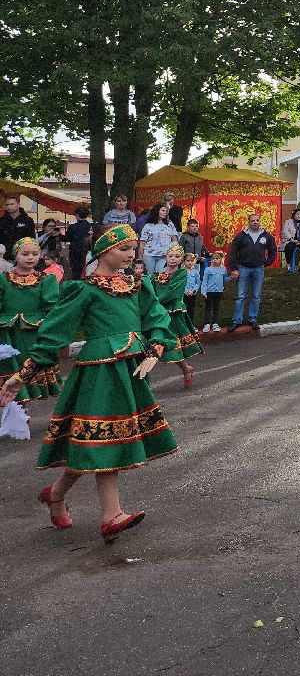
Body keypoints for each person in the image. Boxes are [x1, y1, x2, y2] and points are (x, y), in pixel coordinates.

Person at [0, 224, 178, 541]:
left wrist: (156, 346)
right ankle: (111, 515)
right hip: (98, 374)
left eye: (132, 249)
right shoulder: (85, 290)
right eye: (123, 249)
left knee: (94, 444)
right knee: (105, 439)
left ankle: (55, 493)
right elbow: (54, 332)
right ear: (104, 251)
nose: (129, 255)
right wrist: (20, 376)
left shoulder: (137, 286)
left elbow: (157, 319)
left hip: (130, 373)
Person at [0, 236, 60, 403]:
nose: (30, 257)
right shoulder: (4, 279)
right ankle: (16, 418)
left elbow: (51, 308)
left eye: (35, 253)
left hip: (33, 335)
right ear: (15, 255)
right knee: (10, 371)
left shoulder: (46, 279)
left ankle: (22, 419)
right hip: (7, 335)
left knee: (26, 371)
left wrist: (50, 333)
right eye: (25, 253)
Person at [151, 243, 200, 389]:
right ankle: (185, 369)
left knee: (172, 346)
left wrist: (155, 302)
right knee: (153, 344)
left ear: (181, 260)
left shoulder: (182, 274)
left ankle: (185, 369)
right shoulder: (157, 275)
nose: (173, 259)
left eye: (177, 256)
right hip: (158, 312)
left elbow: (173, 293)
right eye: (170, 256)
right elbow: (151, 291)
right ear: (166, 257)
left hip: (173, 313)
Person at [226, 213, 276, 331]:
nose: (255, 222)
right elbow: (233, 252)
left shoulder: (266, 236)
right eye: (252, 220)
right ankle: (237, 320)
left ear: (260, 222)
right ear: (248, 222)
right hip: (243, 268)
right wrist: (234, 268)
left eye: (257, 220)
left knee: (256, 296)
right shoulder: (242, 236)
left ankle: (252, 319)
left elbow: (273, 250)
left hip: (259, 269)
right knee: (240, 296)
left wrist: (267, 263)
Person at [200, 251, 227, 332]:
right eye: (213, 258)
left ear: (221, 259)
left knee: (216, 307)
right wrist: (204, 292)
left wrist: (232, 277)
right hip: (209, 292)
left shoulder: (223, 269)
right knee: (208, 308)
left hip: (219, 291)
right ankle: (207, 324)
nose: (215, 260)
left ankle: (215, 323)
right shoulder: (208, 269)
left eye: (217, 258)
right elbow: (204, 281)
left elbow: (224, 279)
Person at [65, 205, 94, 280]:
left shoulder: (73, 227)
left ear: (77, 215)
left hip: (75, 252)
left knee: (75, 272)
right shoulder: (90, 226)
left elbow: (67, 238)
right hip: (86, 251)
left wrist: (58, 235)